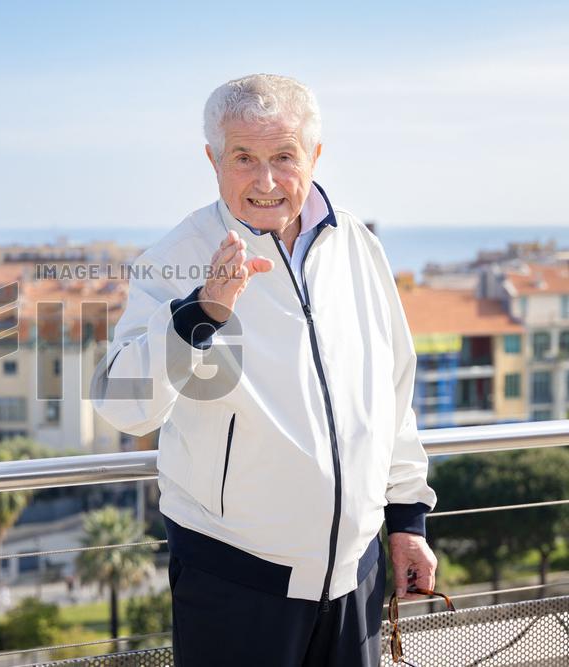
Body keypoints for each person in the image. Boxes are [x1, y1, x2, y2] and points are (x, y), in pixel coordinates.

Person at [90, 74, 438, 667]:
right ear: (213, 160)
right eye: (244, 158)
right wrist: (201, 313)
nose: (266, 181)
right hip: (234, 579)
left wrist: (406, 518)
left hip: (357, 574)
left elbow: (392, 391)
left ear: (315, 155)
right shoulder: (177, 257)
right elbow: (124, 405)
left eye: (284, 157)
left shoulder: (358, 246)